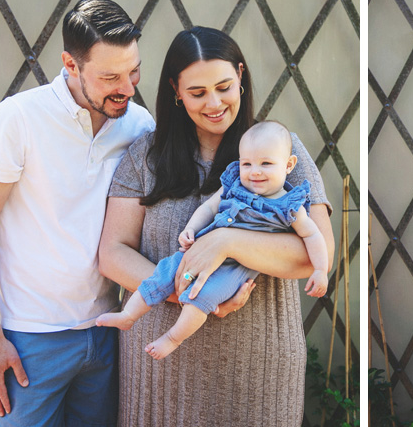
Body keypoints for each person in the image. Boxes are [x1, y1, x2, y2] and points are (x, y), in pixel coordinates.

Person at [97, 26, 334, 427]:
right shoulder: (145, 156)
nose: (214, 103)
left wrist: (225, 241)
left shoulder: (284, 150)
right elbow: (112, 252)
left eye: (224, 87)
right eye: (197, 92)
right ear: (175, 92)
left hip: (255, 370)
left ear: (241, 77)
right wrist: (186, 295)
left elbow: (312, 254)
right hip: (160, 368)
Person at [0, 0, 155, 427]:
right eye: (110, 77)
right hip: (28, 338)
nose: (126, 88)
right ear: (70, 64)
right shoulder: (19, 118)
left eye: (133, 72)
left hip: (104, 328)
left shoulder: (140, 126)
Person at [96, 120, 328, 359]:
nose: (255, 171)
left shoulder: (289, 204)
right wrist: (190, 229)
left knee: (201, 298)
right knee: (164, 273)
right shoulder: (235, 185)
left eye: (266, 163)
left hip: (235, 270)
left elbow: (312, 235)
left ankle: (172, 338)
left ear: (289, 165)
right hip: (198, 253)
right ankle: (129, 316)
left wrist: (320, 269)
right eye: (247, 163)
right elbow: (208, 208)